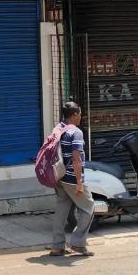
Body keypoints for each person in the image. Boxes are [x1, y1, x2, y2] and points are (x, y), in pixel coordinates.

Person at [49, 101, 94, 257]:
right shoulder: (76, 132)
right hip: (71, 178)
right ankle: (78, 243)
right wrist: (79, 183)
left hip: (58, 176)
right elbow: (76, 159)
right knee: (89, 207)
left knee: (61, 211)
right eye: (80, 114)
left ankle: (57, 246)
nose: (81, 116)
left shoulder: (58, 128)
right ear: (74, 115)